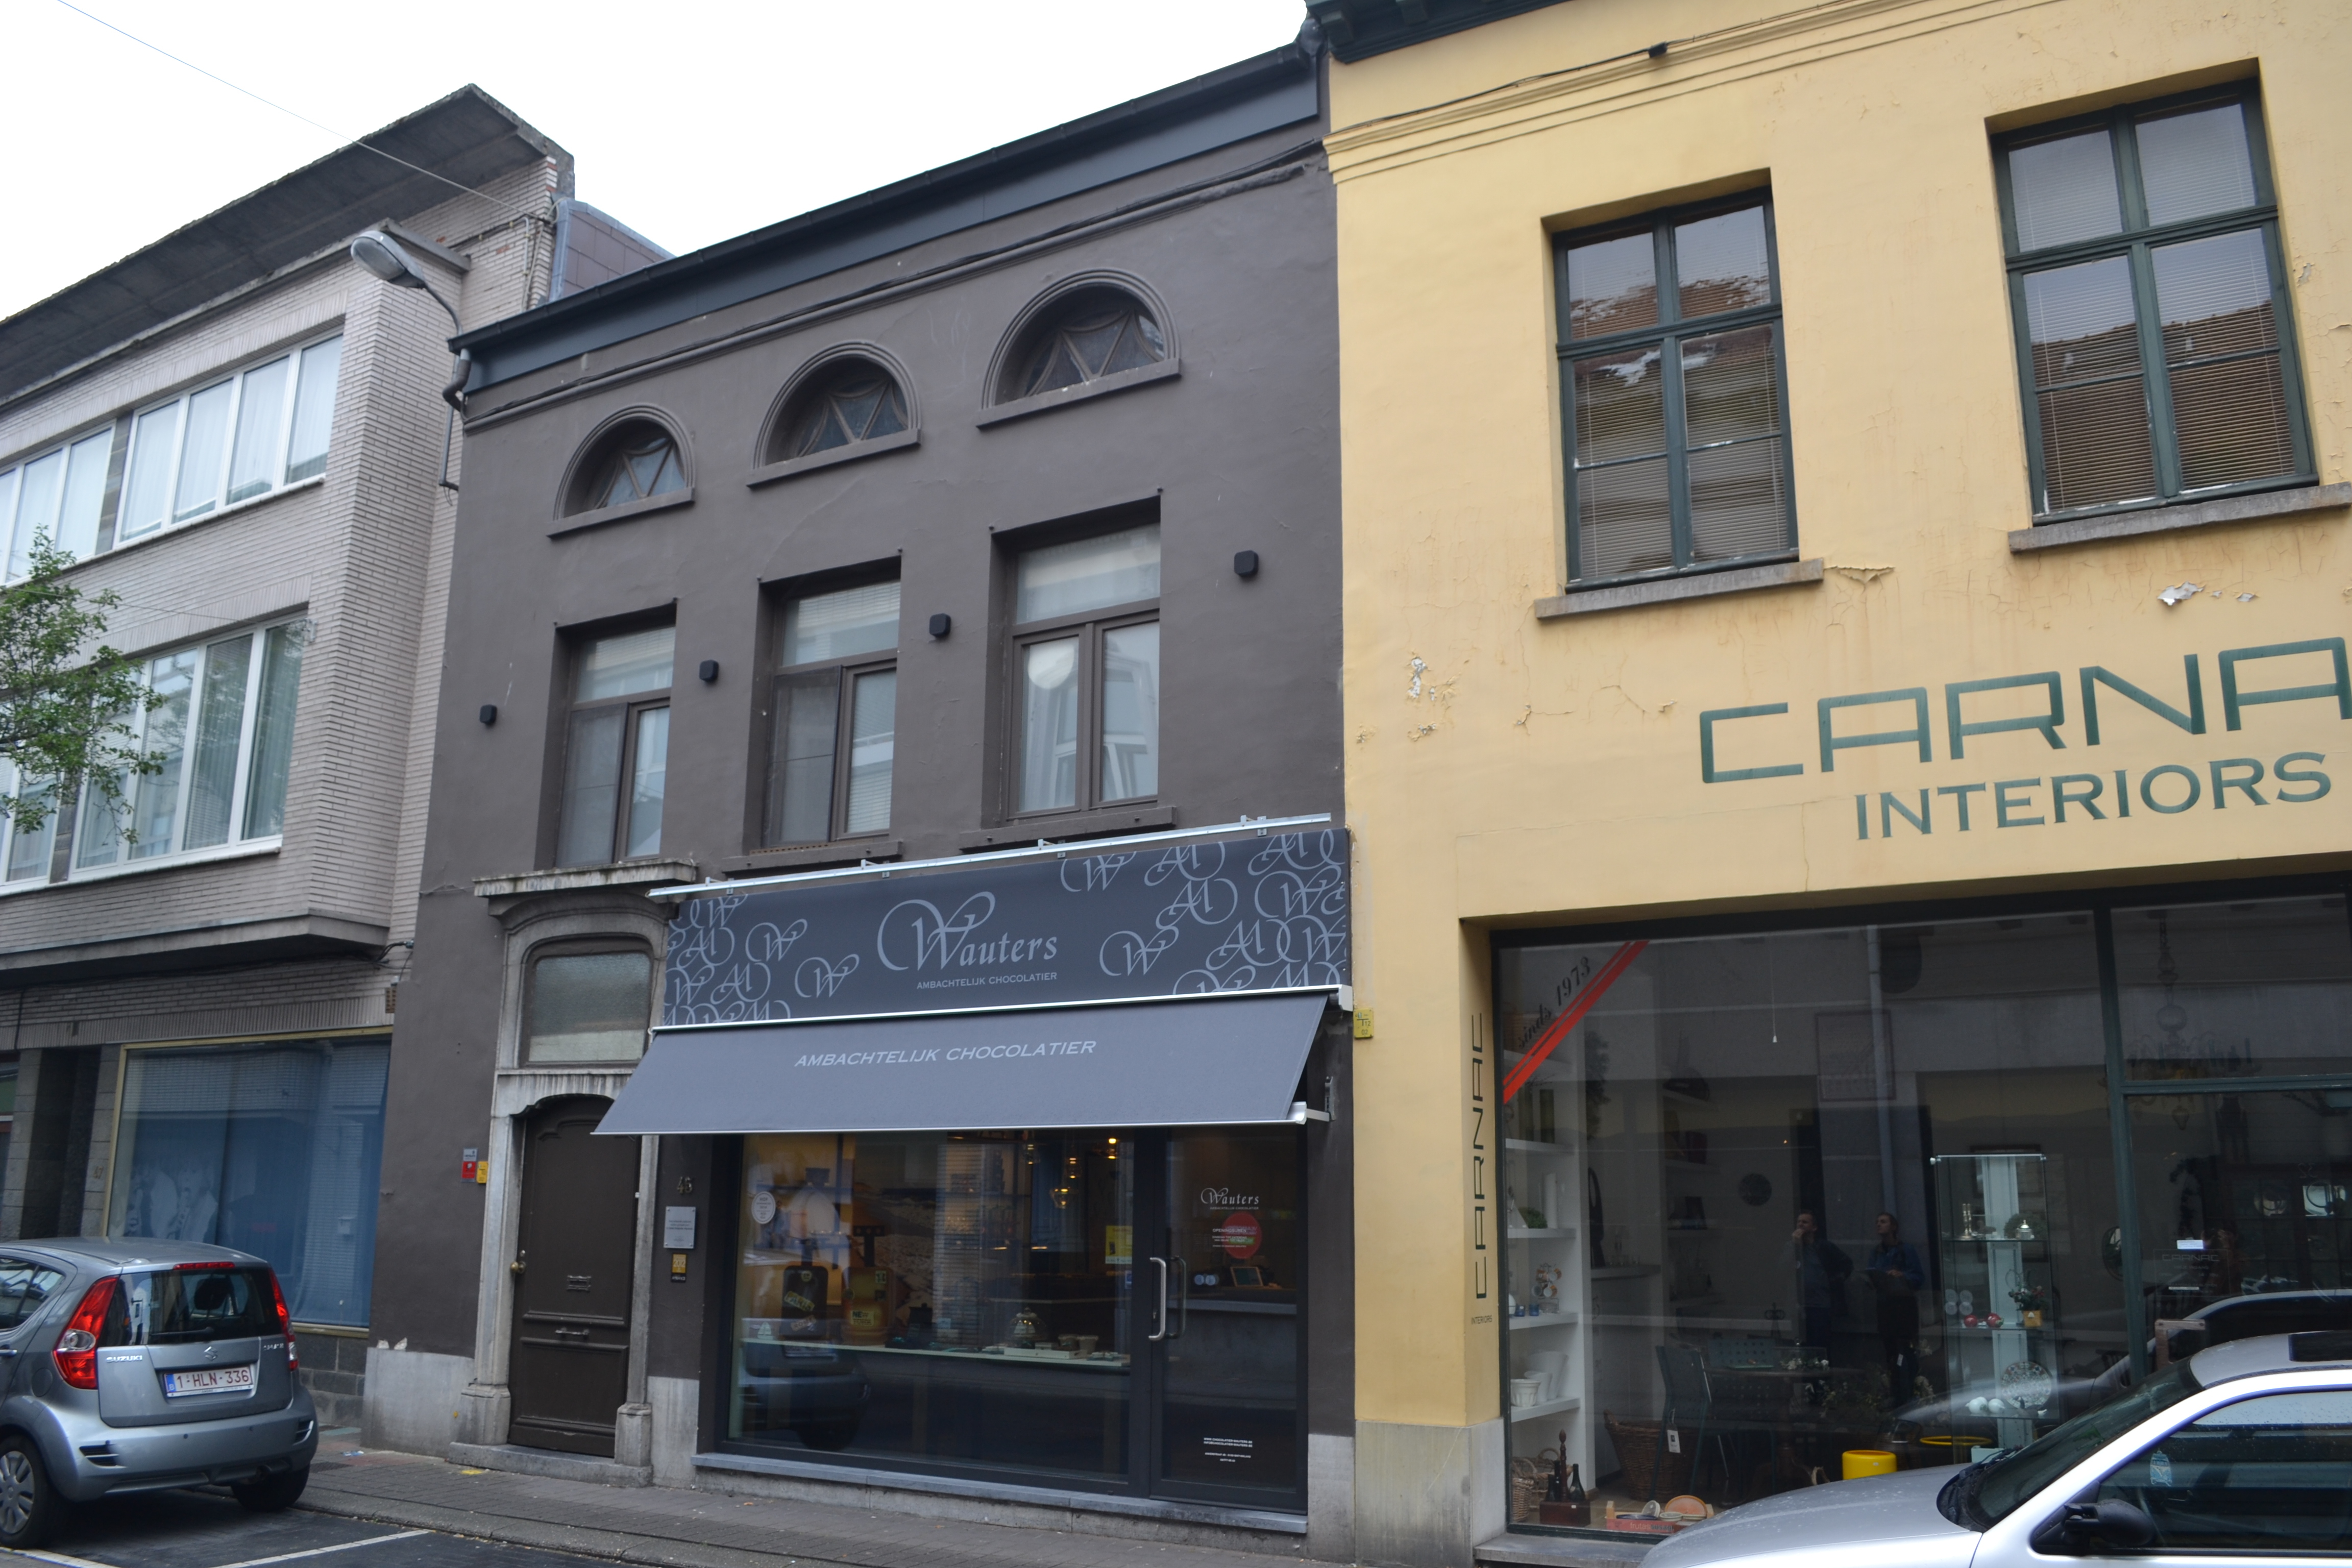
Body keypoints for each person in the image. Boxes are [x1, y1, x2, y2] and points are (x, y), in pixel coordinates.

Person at [1866, 1211, 1926, 1399]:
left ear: (1893, 1227)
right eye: (1877, 1222)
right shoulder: (1876, 1252)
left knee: (1906, 1350)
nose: (1879, 1225)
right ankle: (1895, 1393)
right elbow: (1871, 1275)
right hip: (1885, 1307)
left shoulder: (1906, 1250)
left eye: (1883, 1222)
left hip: (1904, 1307)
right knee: (1890, 1352)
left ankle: (1909, 1392)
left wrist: (1903, 1276)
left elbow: (1919, 1278)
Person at [1784, 1210, 1852, 1353]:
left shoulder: (1824, 1247)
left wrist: (1833, 1282)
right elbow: (1783, 1268)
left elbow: (1847, 1264)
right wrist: (1795, 1246)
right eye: (1799, 1222)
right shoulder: (1791, 1246)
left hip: (1821, 1304)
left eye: (1805, 1222)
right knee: (1801, 1345)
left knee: (1820, 1344)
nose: (1800, 1225)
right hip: (1799, 1305)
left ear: (1814, 1228)